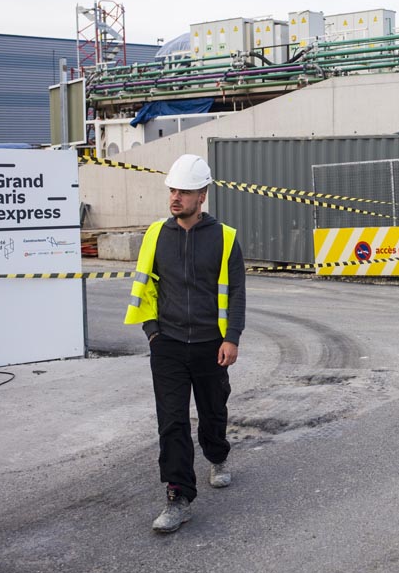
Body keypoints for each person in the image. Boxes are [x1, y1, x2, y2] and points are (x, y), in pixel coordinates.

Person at [125, 154, 246, 533]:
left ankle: (217, 456)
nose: (176, 197)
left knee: (213, 411)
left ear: (203, 195)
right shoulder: (156, 235)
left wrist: (232, 338)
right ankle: (178, 496)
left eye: (185, 192)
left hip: (212, 344)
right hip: (169, 345)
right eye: (173, 190)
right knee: (172, 421)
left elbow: (237, 292)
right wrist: (152, 331)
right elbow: (143, 285)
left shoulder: (224, 238)